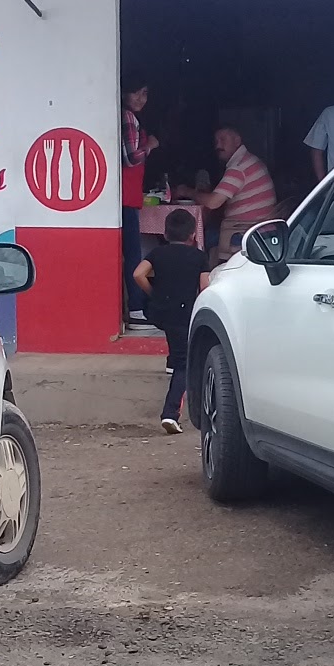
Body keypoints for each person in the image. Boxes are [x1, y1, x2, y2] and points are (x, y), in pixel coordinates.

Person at [132, 208, 210, 433]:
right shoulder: (199, 257)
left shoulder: (157, 253)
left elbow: (138, 274)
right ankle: (170, 413)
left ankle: (171, 362)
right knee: (185, 363)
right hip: (184, 312)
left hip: (160, 312)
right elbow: (204, 287)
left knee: (176, 344)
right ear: (193, 235)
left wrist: (153, 293)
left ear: (165, 234)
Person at [193, 125, 277, 265]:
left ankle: (209, 278)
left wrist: (188, 192)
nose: (218, 145)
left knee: (203, 235)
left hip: (246, 231)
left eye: (223, 139)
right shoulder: (251, 160)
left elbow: (213, 202)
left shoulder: (238, 167)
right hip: (261, 226)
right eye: (216, 141)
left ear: (237, 141)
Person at [121, 76, 159, 324]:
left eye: (145, 94)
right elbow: (132, 158)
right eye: (137, 92)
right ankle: (136, 309)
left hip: (128, 196)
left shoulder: (126, 117)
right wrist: (151, 146)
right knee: (133, 254)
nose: (141, 99)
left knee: (131, 253)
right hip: (125, 197)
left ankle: (135, 306)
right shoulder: (128, 118)